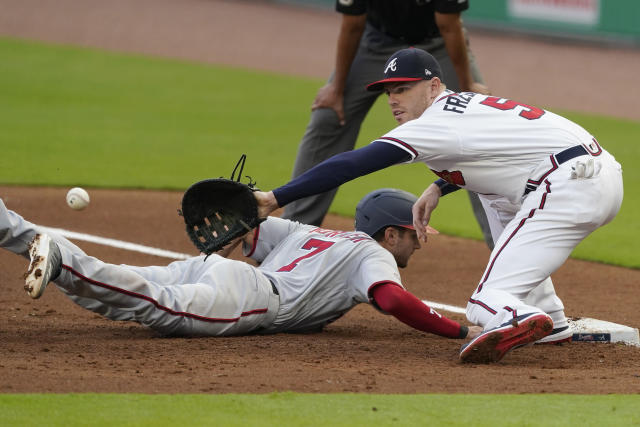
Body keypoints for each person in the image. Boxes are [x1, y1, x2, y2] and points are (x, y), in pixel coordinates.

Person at [253, 48, 624, 363]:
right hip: (592, 175)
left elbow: (352, 163)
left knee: (483, 304)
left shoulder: (431, 124)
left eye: (403, 89)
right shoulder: (464, 106)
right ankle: (552, 322)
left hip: (566, 186)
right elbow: (496, 152)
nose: (394, 99)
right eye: (388, 92)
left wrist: (275, 198)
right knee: (495, 199)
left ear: (432, 86)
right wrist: (438, 186)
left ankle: (515, 315)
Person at [0, 189, 481, 340]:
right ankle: (62, 259)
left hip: (219, 272)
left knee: (135, 287)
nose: (419, 243)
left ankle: (19, 230)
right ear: (390, 232)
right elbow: (392, 298)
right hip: (249, 297)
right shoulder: (373, 254)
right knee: (152, 303)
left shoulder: (314, 233)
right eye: (414, 234)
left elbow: (248, 233)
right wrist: (457, 331)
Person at [283, 0, 495, 249]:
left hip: (438, 44)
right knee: (328, 117)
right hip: (377, 43)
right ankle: (291, 233)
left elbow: (449, 26)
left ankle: (504, 244)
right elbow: (353, 25)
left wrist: (468, 86)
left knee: (473, 128)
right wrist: (336, 87)